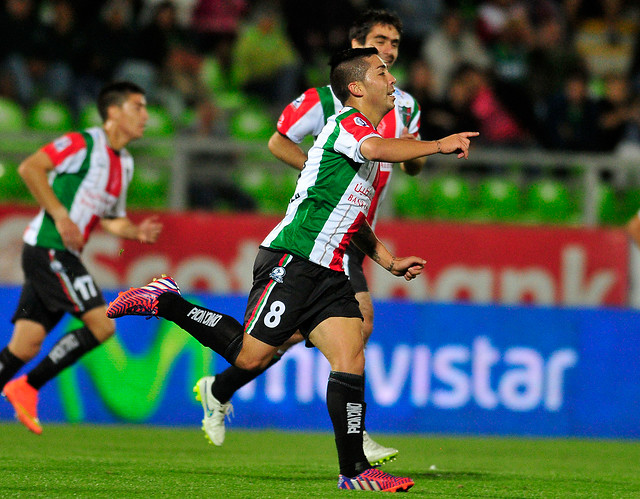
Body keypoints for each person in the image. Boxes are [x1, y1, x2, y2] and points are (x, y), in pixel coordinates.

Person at [106, 47, 478, 491]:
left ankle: (355, 471)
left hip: (330, 270)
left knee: (350, 355)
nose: (392, 79)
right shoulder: (348, 125)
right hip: (294, 258)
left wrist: (389, 260)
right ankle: (165, 300)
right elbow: (378, 147)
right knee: (250, 355)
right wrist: (439, 143)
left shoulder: (363, 146)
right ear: (357, 87)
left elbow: (353, 217)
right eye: (383, 72)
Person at [198, 8, 426, 467]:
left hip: (355, 234)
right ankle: (354, 447)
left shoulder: (404, 105)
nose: (390, 52)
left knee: (278, 343)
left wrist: (420, 152)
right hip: (319, 232)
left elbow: (410, 161)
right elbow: (278, 141)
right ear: (358, 42)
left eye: (396, 45)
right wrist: (320, 174)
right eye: (381, 41)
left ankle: (219, 388)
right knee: (354, 327)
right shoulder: (325, 101)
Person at [0, 81, 163, 435]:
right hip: (49, 248)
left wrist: (133, 232)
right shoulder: (82, 144)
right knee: (103, 326)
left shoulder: (126, 165)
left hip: (62, 253)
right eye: (138, 107)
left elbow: (110, 217)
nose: (146, 116)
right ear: (113, 112)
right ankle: (27, 387)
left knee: (25, 345)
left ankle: (20, 381)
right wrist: (60, 214)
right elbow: (30, 168)